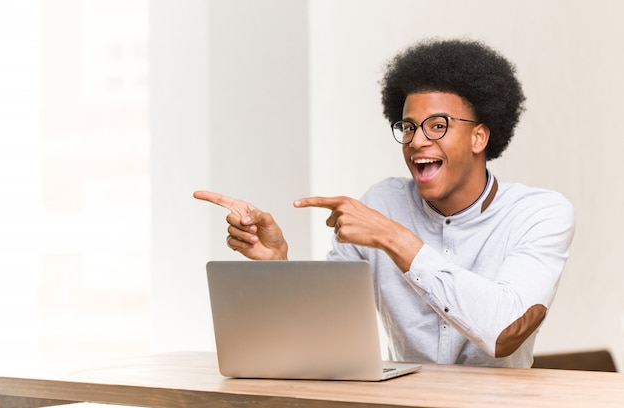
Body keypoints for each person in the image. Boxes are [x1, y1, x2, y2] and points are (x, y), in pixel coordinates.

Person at [194, 38, 575, 368]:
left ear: (479, 137)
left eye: (437, 125)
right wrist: (277, 267)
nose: (417, 141)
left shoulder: (540, 214)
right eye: (408, 127)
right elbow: (325, 330)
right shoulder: (382, 201)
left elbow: (505, 332)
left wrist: (393, 238)